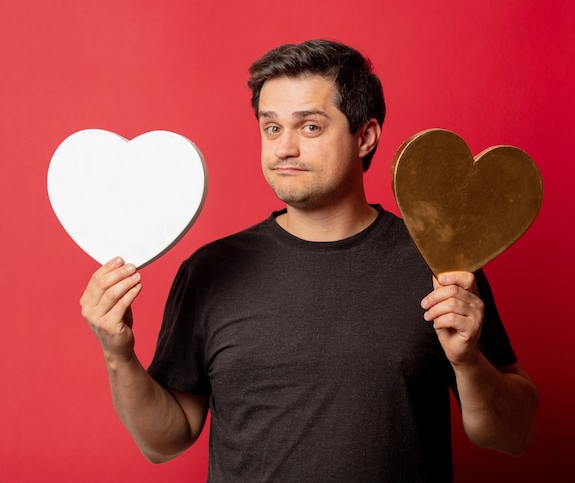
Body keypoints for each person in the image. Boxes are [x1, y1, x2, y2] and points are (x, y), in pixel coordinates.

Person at [80, 39, 539, 482]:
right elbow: (166, 440)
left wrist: (468, 363)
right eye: (272, 127)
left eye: (310, 126)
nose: (283, 148)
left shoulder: (441, 260)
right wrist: (117, 353)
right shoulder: (209, 270)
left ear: (365, 136)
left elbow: (513, 436)